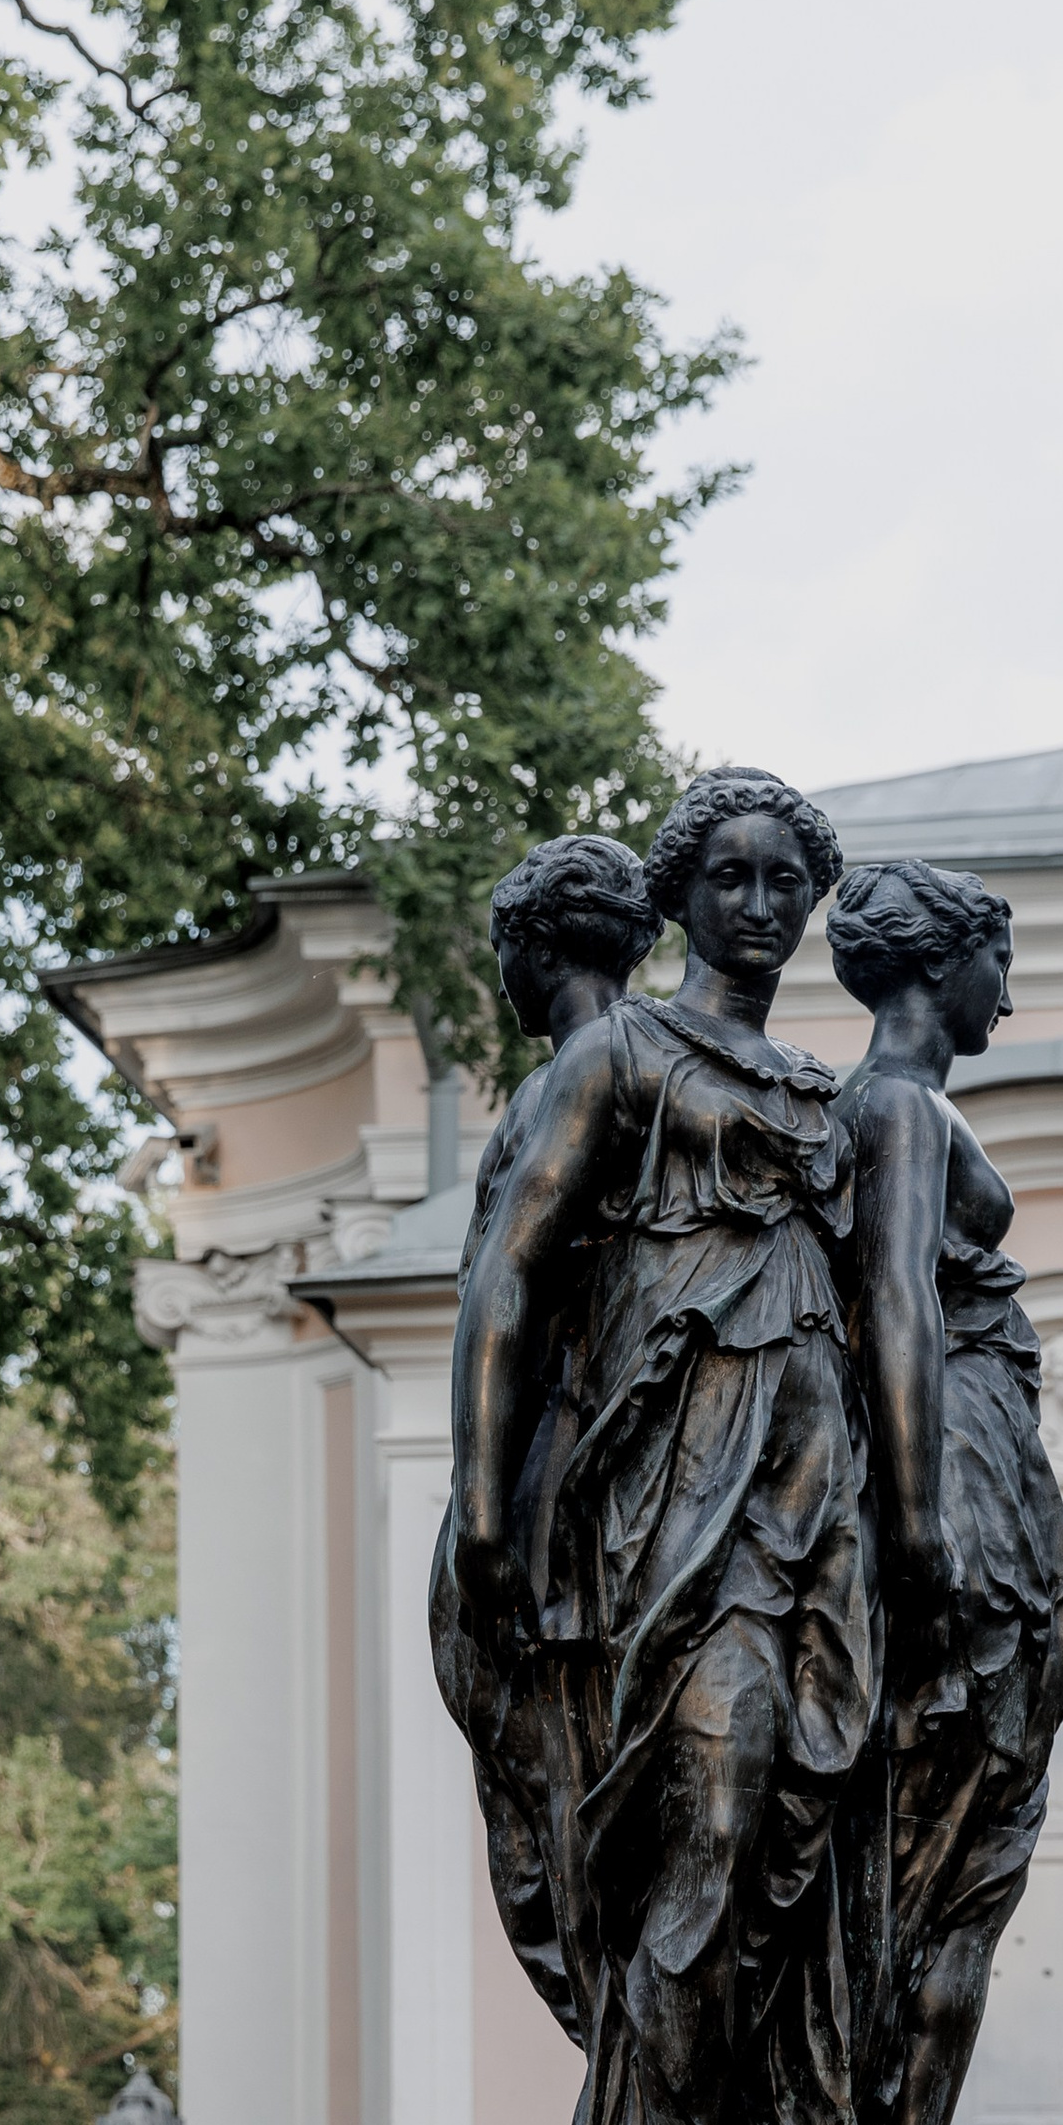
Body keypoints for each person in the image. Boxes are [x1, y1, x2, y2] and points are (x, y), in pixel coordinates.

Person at [443, 769, 872, 2125]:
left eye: (787, 884)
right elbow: (507, 1280)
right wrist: (491, 1514)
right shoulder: (615, 1058)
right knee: (710, 1805)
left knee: (796, 1851)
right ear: (680, 896)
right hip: (670, 1506)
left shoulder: (824, 1095)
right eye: (736, 878)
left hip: (815, 1501)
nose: (764, 907)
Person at [829, 855, 1063, 2125]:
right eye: (1002, 958)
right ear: (946, 966)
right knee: (935, 1858)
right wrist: (923, 1526)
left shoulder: (903, 1109)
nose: (1012, 990)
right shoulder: (898, 1109)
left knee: (966, 1861)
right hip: (961, 1486)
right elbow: (894, 1318)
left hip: (985, 1467)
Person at [430, 833, 662, 2042]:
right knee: (562, 1800)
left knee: (556, 1802)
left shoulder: (585, 1068)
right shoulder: (647, 1068)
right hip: (593, 1479)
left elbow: (503, 1287)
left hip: (555, 1487)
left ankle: (635, 2105)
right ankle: (636, 2119)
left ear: (533, 946)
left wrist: (478, 1501)